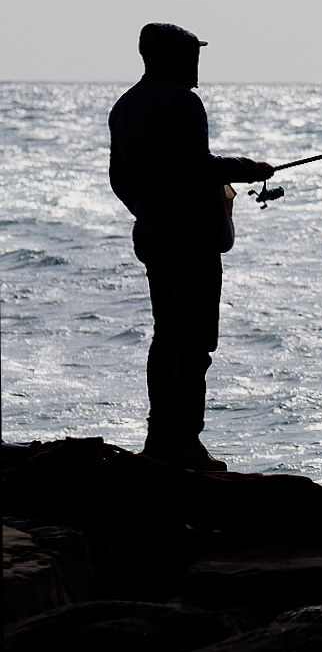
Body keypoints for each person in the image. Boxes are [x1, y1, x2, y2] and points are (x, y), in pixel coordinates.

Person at [109, 23, 274, 471]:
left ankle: (158, 438)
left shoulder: (126, 105)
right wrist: (250, 167)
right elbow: (197, 167)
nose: (197, 63)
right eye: (191, 55)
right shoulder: (183, 101)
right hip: (191, 241)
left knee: (167, 337)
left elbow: (119, 180)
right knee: (196, 341)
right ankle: (184, 443)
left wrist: (150, 211)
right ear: (173, 58)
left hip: (154, 237)